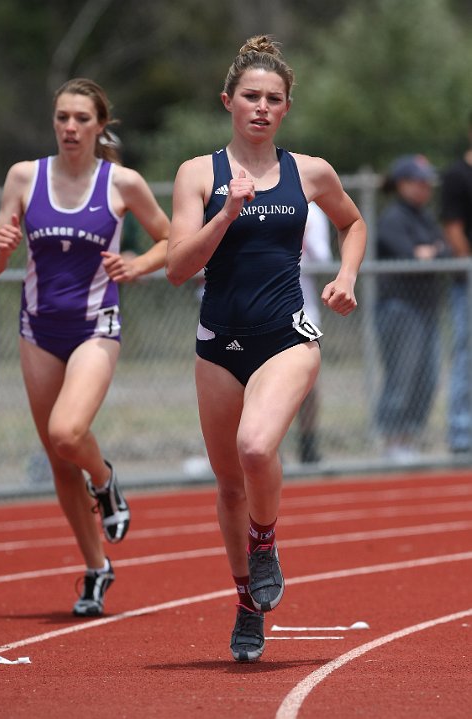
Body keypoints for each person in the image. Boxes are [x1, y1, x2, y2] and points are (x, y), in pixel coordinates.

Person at [166, 35, 366, 663]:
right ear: (228, 101)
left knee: (257, 446)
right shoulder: (198, 174)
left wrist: (345, 278)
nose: (260, 106)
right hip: (217, 342)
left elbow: (352, 223)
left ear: (285, 109)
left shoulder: (310, 171)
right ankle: (247, 605)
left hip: (287, 336)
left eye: (272, 99)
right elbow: (176, 268)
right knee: (228, 483)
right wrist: (223, 215)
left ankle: (265, 542)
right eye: (249, 95)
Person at [0, 78, 170, 616]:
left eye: (81, 119)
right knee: (57, 455)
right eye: (62, 118)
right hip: (38, 328)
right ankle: (97, 568)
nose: (70, 128)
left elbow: (173, 237)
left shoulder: (122, 183)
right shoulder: (24, 177)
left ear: (99, 126)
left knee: (67, 433)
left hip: (95, 324)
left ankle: (106, 479)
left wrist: (136, 265)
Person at [375, 154, 448, 461]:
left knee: (428, 378)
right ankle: (392, 442)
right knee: (401, 378)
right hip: (399, 308)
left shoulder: (425, 217)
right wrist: (428, 253)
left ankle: (411, 438)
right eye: (419, 182)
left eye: (427, 183)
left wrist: (430, 253)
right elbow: (409, 257)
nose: (425, 188)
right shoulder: (393, 218)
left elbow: (445, 251)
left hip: (426, 309)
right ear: (402, 184)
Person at [440, 114, 472, 454]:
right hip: (468, 282)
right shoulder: (457, 175)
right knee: (467, 355)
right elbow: (453, 227)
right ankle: (463, 434)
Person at [297, 202, 332, 463]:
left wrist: (303, 235)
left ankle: (308, 445)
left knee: (307, 383)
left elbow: (323, 259)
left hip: (302, 311)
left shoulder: (312, 211)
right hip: (259, 312)